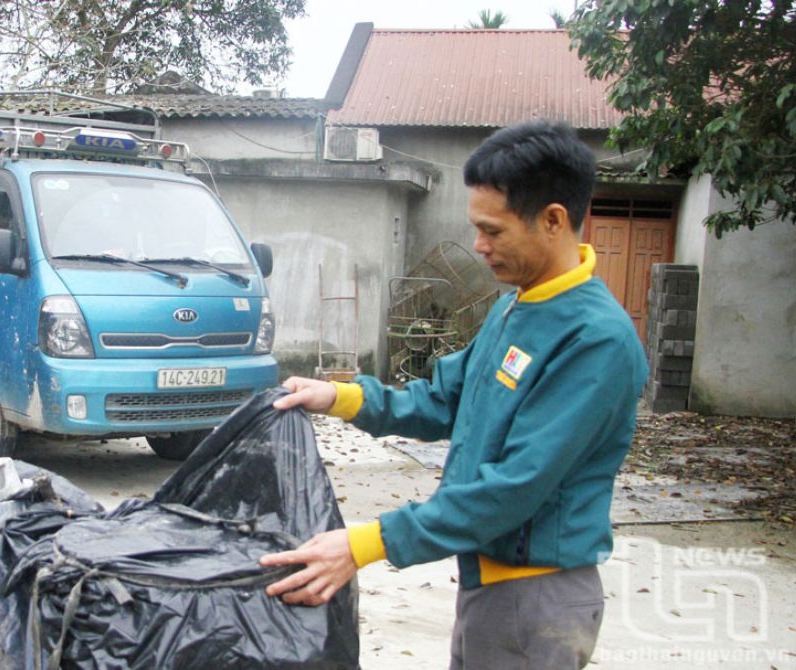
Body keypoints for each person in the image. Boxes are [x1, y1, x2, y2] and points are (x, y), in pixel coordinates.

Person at [260, 120, 648, 669]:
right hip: (489, 585)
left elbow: (515, 487)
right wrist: (340, 398)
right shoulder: (517, 305)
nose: (478, 245)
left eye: (493, 230)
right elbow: (444, 400)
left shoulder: (595, 341)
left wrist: (366, 544)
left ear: (554, 220)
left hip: (536, 600)